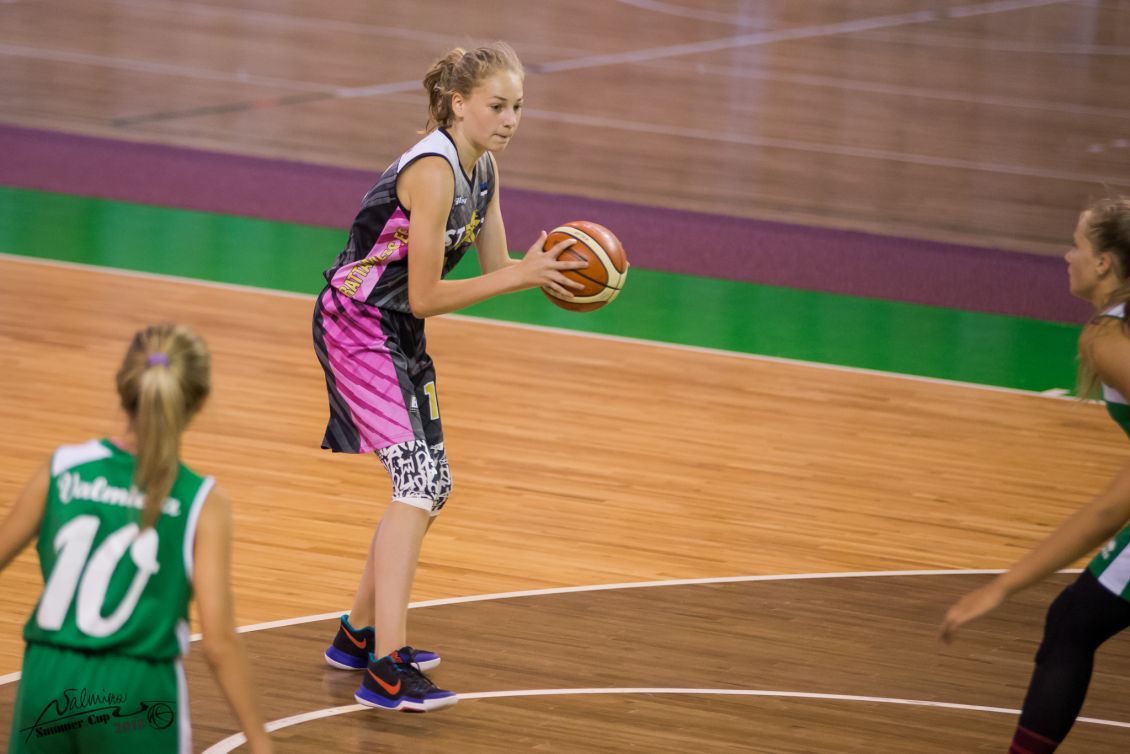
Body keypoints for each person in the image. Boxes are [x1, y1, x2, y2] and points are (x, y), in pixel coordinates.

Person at [312, 41, 586, 712]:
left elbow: (498, 266)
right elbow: (428, 294)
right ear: (458, 105)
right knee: (418, 483)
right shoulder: (433, 171)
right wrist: (519, 277)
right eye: (497, 106)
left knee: (433, 486)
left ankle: (356, 635)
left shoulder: (483, 168)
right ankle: (385, 669)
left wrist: (548, 270)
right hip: (357, 324)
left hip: (397, 328)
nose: (510, 119)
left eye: (518, 107)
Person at [0, 324, 273, 754]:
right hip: (136, 694)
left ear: (121, 385)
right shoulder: (201, 502)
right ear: (199, 402)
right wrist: (259, 740)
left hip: (45, 682)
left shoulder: (62, 469)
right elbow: (219, 643)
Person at [940, 197, 1130, 754]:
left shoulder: (1107, 339)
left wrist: (1004, 585)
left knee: (1072, 624)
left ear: (1103, 263)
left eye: (1077, 245)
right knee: (1073, 621)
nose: (1067, 256)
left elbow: (1110, 509)